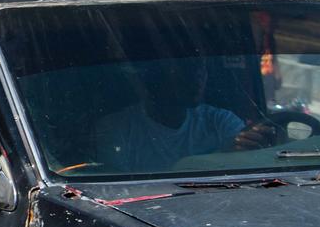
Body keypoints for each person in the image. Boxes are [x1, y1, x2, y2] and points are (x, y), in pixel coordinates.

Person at [94, 62, 274, 172]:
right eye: (185, 72)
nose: (196, 80)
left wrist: (248, 146)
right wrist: (223, 156)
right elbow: (116, 192)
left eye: (201, 71)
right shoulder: (117, 128)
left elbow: (245, 159)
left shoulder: (220, 121)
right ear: (155, 79)